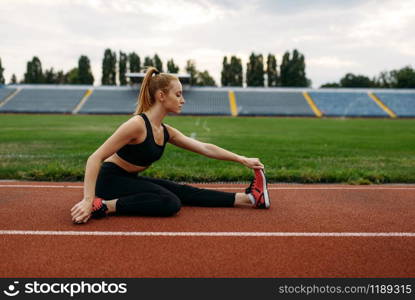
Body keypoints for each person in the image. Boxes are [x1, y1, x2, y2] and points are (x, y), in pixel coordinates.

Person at [70, 67, 270, 224]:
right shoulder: (137, 125)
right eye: (178, 94)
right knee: (169, 202)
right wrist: (88, 200)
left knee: (181, 191)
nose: (183, 100)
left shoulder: (165, 131)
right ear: (161, 96)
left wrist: (241, 159)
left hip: (127, 179)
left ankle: (249, 198)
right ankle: (104, 206)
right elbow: (95, 158)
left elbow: (205, 148)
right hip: (108, 181)